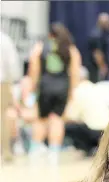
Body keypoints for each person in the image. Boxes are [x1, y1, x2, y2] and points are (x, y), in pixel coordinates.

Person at [27, 22, 81, 164]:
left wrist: (32, 87)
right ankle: (54, 152)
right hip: (62, 87)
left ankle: (35, 150)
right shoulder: (71, 49)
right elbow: (75, 73)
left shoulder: (40, 47)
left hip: (45, 87)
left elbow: (34, 69)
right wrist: (72, 92)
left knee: (40, 119)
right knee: (57, 120)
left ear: (50, 34)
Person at [0, 30, 22, 163]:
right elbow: (12, 65)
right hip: (2, 83)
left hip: (3, 82)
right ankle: (6, 151)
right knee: (3, 118)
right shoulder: (4, 40)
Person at [87, 12, 109, 83]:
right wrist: (102, 67)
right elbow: (97, 53)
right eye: (108, 22)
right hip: (96, 69)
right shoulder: (98, 36)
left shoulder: (100, 33)